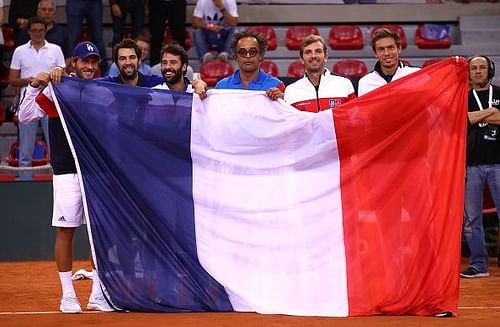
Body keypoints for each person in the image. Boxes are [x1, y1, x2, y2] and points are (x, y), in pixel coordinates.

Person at [17, 41, 115, 313]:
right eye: (85, 61)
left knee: (99, 234)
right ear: (74, 62)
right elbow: (25, 117)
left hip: (96, 172)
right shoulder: (57, 89)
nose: (90, 66)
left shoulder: (103, 92)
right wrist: (36, 84)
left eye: (94, 61)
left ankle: (97, 294)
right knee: (66, 231)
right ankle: (68, 295)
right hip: (67, 171)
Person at [9, 16, 65, 180]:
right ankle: (24, 182)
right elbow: (12, 80)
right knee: (25, 149)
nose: (38, 33)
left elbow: (63, 76)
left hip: (50, 100)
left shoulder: (56, 49)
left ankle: (55, 181)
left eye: (41, 30)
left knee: (55, 146)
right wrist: (30, 81)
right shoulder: (19, 51)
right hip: (28, 100)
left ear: (46, 30)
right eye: (34, 30)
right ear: (28, 31)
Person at [461, 55, 500, 278]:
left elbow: (469, 119)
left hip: (498, 163)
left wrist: (475, 117)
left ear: (490, 70)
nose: (477, 71)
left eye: (482, 68)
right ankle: (478, 264)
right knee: (471, 218)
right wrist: (491, 113)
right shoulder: (463, 97)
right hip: (471, 165)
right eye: (473, 68)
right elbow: (461, 120)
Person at [284, 35, 356, 112]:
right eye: (308, 52)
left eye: (318, 51)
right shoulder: (291, 91)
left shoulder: (344, 84)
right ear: (302, 59)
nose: (313, 56)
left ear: (325, 57)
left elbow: (354, 118)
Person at [214, 31, 284, 100]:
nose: (248, 56)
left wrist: (281, 100)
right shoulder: (221, 87)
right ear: (236, 57)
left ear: (261, 56)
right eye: (242, 52)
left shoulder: (277, 85)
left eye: (253, 51)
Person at [357, 28, 419, 96]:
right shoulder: (365, 82)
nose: (386, 53)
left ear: (399, 49)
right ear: (375, 53)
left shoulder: (416, 75)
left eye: (390, 48)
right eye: (381, 49)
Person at [98, 38, 163, 87]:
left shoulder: (154, 83)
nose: (128, 62)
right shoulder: (109, 84)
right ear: (116, 63)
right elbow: (90, 84)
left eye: (132, 57)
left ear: (139, 60)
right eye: (122, 58)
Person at [65, 0, 108, 73]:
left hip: (94, 2)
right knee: (72, 37)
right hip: (74, 2)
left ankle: (103, 72)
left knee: (97, 37)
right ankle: (70, 71)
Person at [148, 0, 186, 66]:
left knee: (179, 37)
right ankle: (154, 67)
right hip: (157, 3)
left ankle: (182, 64)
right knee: (156, 38)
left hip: (177, 3)